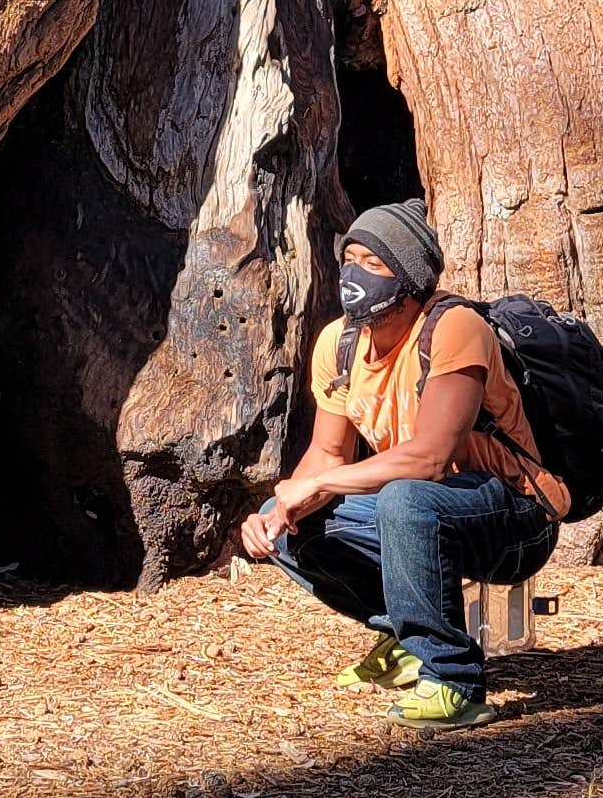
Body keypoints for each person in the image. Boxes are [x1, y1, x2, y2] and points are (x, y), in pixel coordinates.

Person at [237, 199, 565, 729]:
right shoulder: (338, 344)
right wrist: (278, 512)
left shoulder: (454, 328)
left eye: (374, 264)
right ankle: (413, 635)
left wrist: (315, 483)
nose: (353, 274)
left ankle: (455, 680)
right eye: (350, 258)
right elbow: (327, 453)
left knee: (405, 497)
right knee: (293, 517)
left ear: (410, 278)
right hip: (419, 511)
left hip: (513, 516)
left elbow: (430, 458)